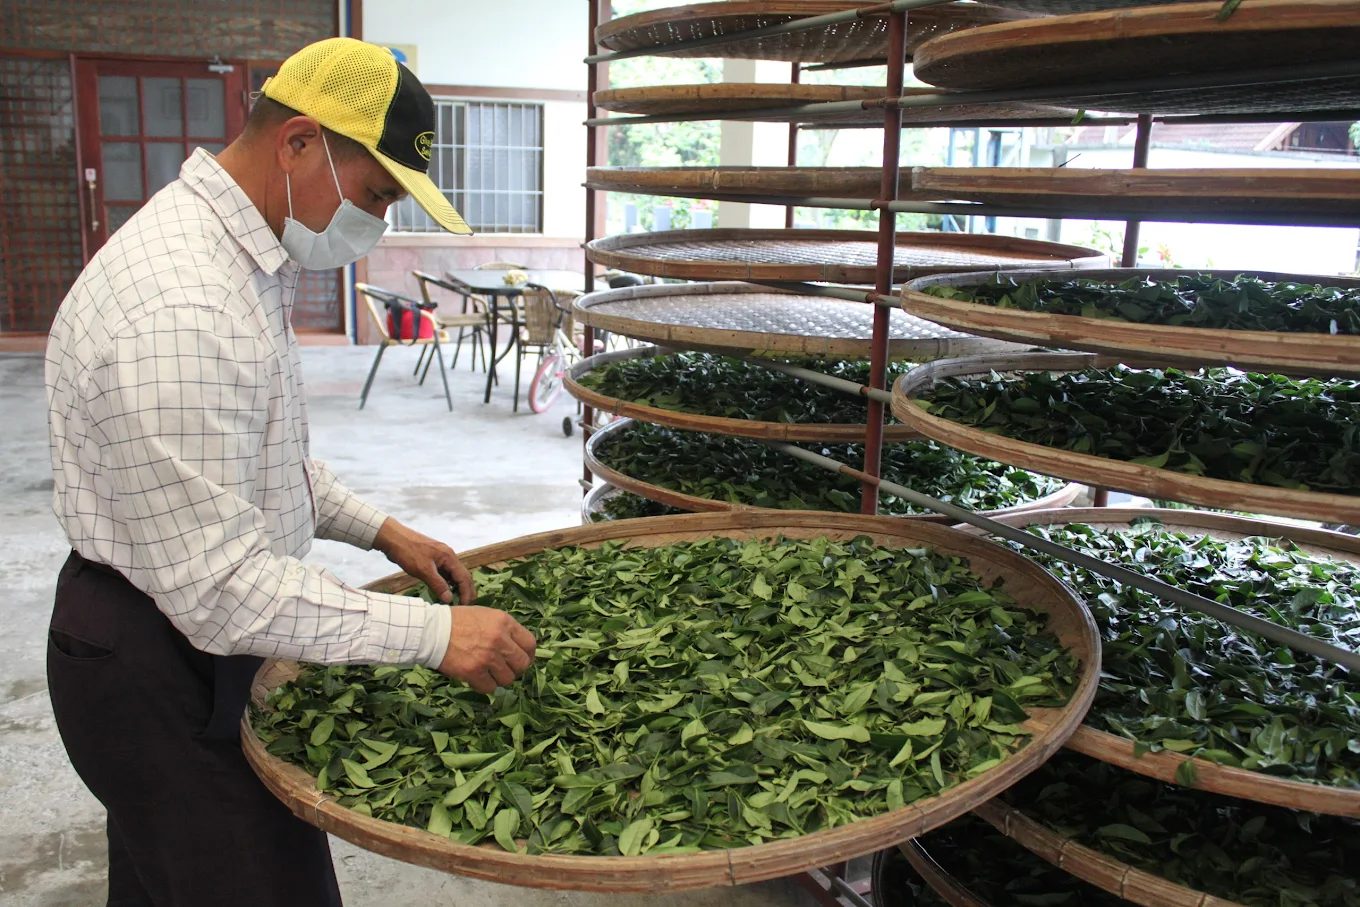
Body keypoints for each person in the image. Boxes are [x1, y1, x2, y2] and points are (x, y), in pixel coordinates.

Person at [43, 37, 536, 906]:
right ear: (300, 142)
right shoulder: (184, 305)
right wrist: (434, 638)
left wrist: (381, 530)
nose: (378, 224)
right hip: (157, 660)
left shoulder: (237, 255)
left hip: (180, 628)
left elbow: (257, 455)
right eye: (377, 195)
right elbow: (222, 589)